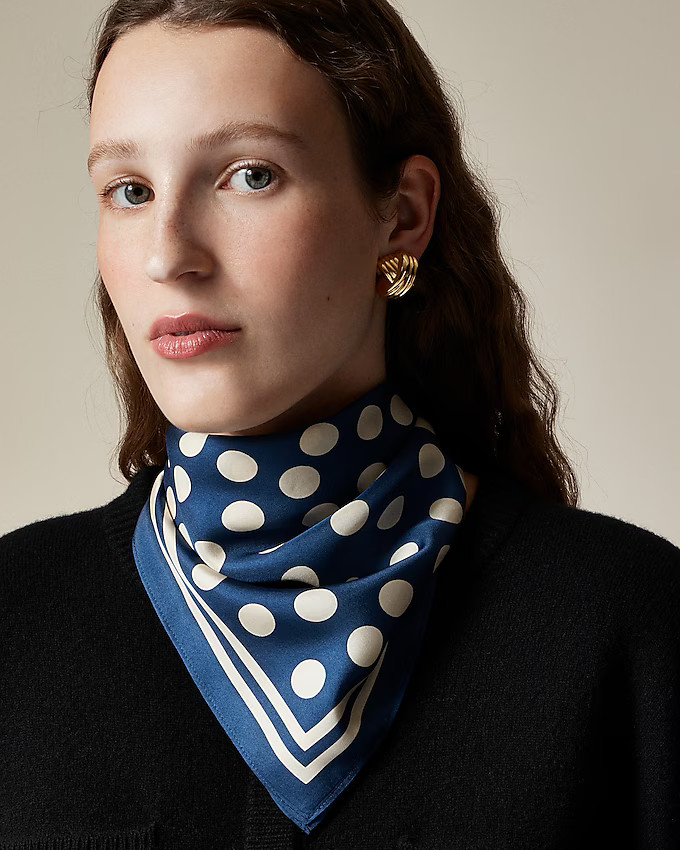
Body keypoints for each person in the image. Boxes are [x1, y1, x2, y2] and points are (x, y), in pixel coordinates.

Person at [1, 0, 678, 847]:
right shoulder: (15, 619)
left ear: (403, 215)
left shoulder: (632, 628)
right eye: (129, 191)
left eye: (250, 175)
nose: (167, 254)